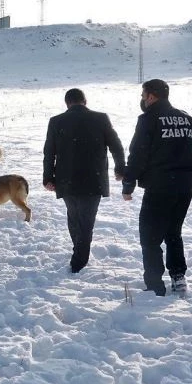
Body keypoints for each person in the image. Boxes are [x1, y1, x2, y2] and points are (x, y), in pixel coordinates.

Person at [122, 79, 192, 296]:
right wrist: (189, 177)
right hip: (184, 188)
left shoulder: (149, 120)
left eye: (143, 94)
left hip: (159, 187)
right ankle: (178, 277)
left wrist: (128, 184)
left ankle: (155, 285)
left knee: (150, 237)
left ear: (151, 96)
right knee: (174, 232)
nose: (142, 99)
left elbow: (138, 154)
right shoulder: (188, 119)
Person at [43, 88, 125, 273]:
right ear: (85, 101)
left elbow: (49, 151)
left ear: (67, 103)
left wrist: (48, 177)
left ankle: (78, 255)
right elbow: (116, 146)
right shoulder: (101, 118)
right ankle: (79, 259)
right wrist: (120, 168)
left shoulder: (56, 121)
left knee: (73, 216)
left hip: (66, 179)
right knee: (86, 220)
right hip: (93, 179)